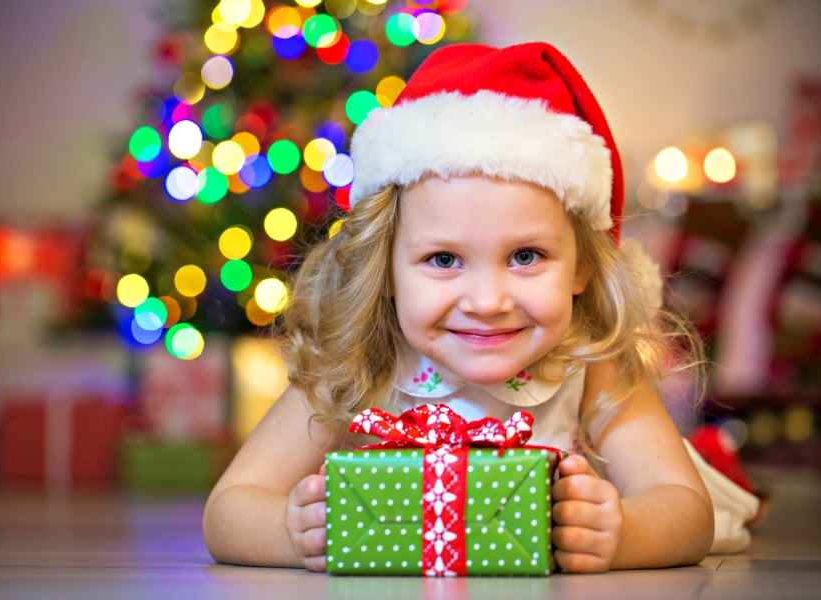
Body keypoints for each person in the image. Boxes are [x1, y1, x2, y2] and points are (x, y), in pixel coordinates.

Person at [203, 41, 757, 573]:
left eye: (525, 255)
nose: (488, 302)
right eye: (444, 260)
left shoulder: (586, 367)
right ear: (386, 270)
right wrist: (289, 532)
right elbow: (228, 507)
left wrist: (622, 532)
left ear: (582, 269)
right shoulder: (356, 367)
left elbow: (686, 510)